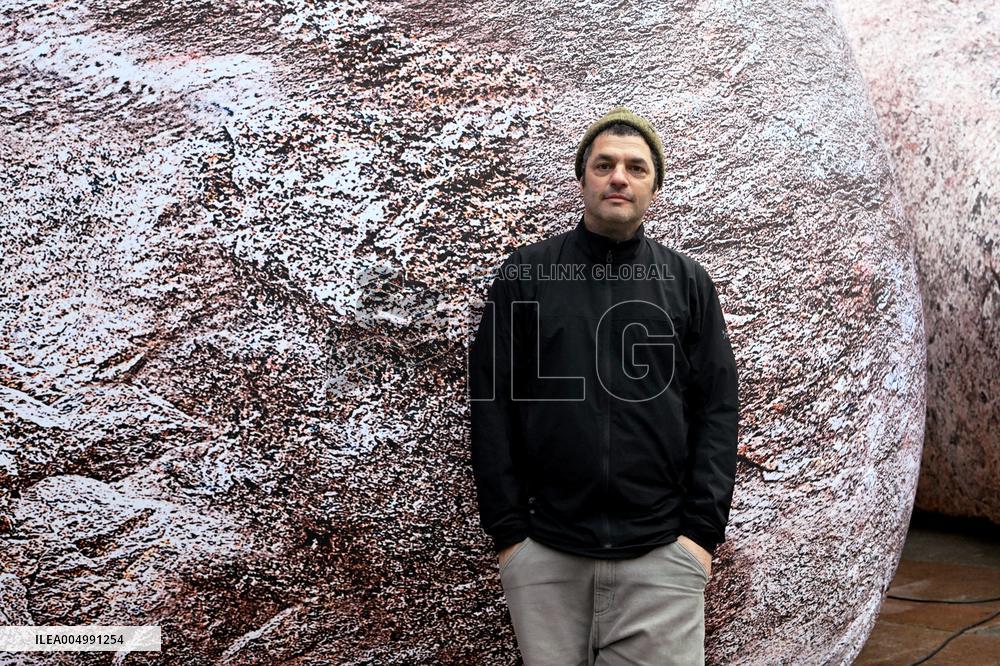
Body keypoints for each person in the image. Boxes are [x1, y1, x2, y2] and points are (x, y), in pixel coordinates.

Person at [468, 107, 739, 665]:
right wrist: (510, 536)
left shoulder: (687, 283)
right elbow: (490, 400)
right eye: (605, 164)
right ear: (583, 178)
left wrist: (700, 537)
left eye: (636, 168)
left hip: (661, 560)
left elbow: (717, 407)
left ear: (654, 186)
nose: (619, 177)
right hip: (547, 556)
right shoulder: (528, 274)